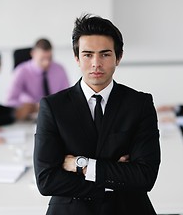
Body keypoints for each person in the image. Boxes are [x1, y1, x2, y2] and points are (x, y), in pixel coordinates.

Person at [33, 14, 160, 215]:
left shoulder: (139, 104)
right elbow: (46, 180)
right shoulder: (53, 106)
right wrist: (112, 181)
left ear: (118, 57)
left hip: (127, 208)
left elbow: (145, 176)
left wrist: (80, 165)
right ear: (76, 58)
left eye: (105, 54)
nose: (96, 63)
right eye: (88, 54)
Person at [6, 38, 69, 109]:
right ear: (33, 54)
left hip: (55, 112)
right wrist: (30, 107)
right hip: (31, 114)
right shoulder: (21, 71)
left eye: (49, 58)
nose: (46, 63)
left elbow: (67, 96)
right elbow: (10, 101)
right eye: (42, 59)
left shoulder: (59, 69)